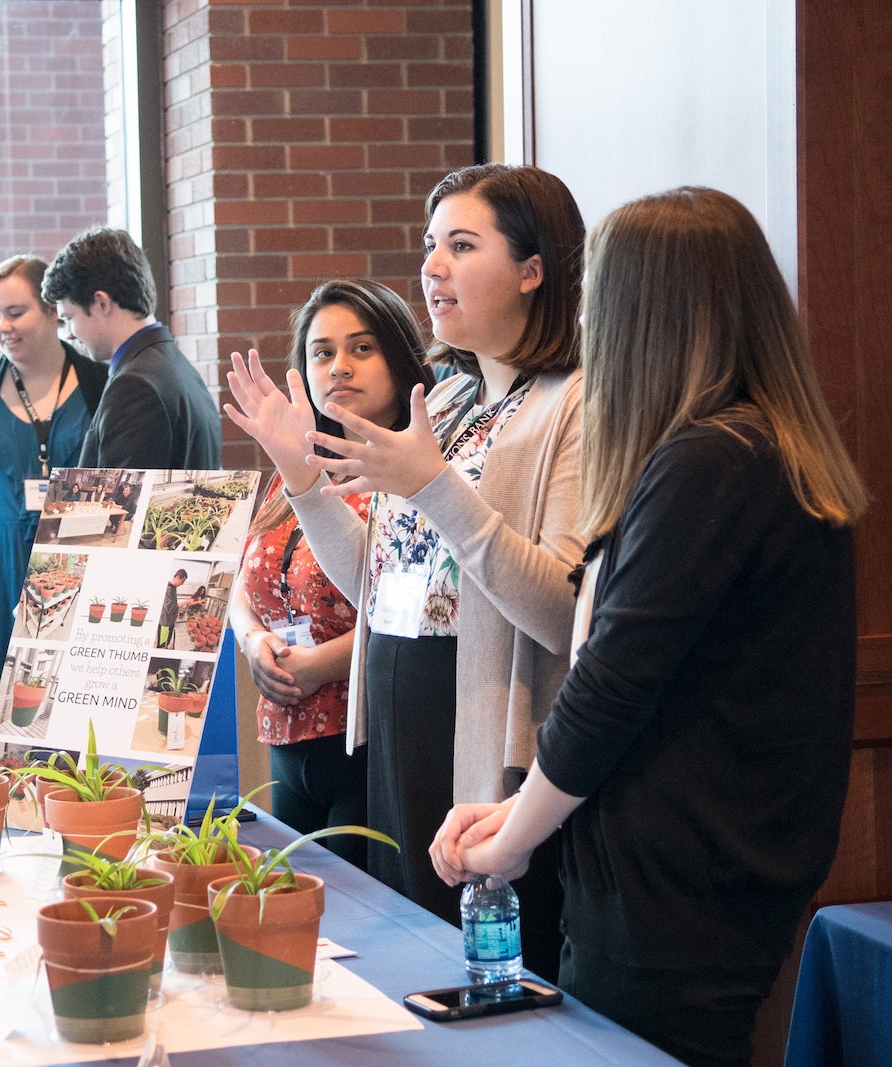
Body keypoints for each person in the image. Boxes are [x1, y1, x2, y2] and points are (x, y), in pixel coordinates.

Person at [429, 187, 866, 1067]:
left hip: (676, 888)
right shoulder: (753, 446)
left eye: (599, 300)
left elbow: (611, 684)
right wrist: (518, 810)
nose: (586, 320)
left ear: (645, 314)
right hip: (706, 874)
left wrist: (512, 841)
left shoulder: (712, 459)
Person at [224, 164, 585, 976]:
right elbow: (378, 589)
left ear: (533, 269)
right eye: (431, 245)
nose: (433, 267)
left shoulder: (571, 404)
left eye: (462, 244)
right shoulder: (447, 401)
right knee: (405, 974)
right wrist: (304, 479)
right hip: (395, 712)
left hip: (482, 726)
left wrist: (434, 487)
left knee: (479, 985)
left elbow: (564, 609)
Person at [228, 279, 433, 868]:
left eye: (362, 349)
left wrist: (321, 665)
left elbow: (415, 606)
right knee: (286, 909)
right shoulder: (295, 464)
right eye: (322, 352)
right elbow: (243, 576)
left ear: (399, 359)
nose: (339, 366)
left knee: (360, 929)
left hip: (367, 738)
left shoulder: (418, 472)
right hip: (286, 735)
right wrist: (252, 639)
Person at [0, 256, 105, 694]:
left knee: (70, 706)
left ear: (51, 312)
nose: (2, 327)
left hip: (81, 572)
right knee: (1, 711)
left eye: (14, 312)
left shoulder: (102, 384)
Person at [42, 227, 221, 469]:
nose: (70, 334)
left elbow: (119, 506)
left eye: (70, 318)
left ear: (101, 303)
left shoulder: (135, 387)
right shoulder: (174, 367)